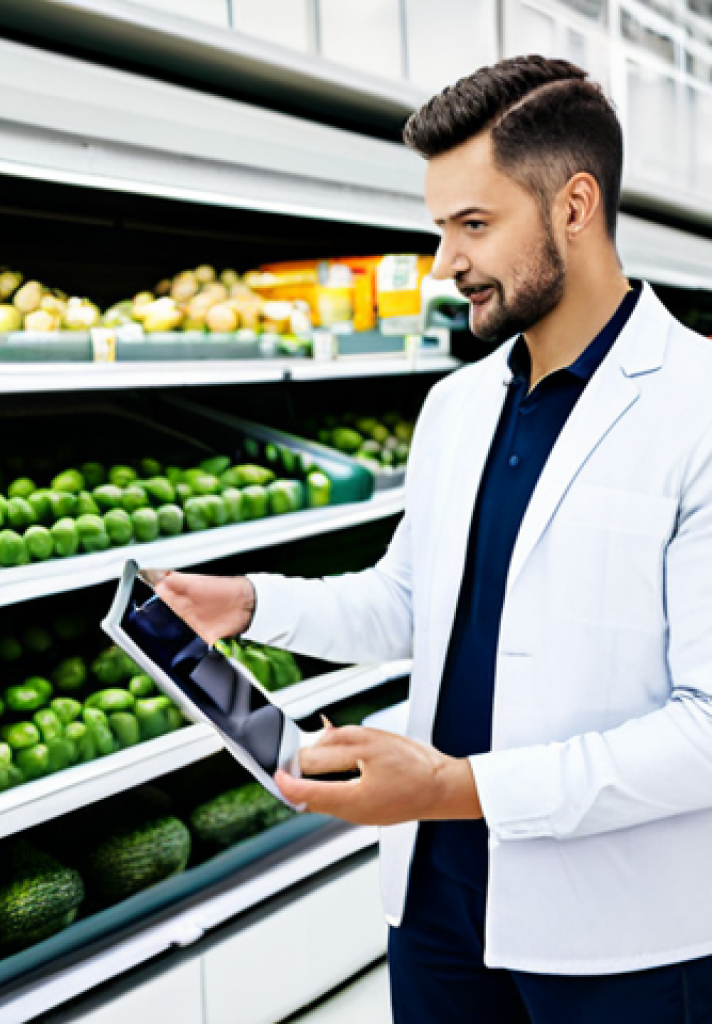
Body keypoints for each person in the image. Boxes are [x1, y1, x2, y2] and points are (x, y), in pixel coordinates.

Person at [155, 56, 712, 1022]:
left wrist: (457, 786)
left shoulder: (697, 407)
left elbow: (706, 729)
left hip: (621, 935)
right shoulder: (457, 406)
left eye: (474, 225)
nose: (444, 263)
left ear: (574, 207)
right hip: (438, 909)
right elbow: (413, 602)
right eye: (439, 228)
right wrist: (250, 603)